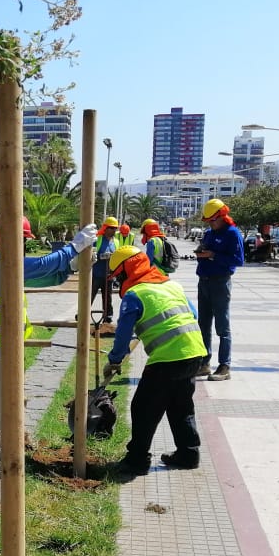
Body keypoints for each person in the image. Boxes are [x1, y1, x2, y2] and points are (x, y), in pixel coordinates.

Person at [0, 219, 98, 478]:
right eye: (22, 239)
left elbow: (44, 277)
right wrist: (75, 247)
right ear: (7, 237)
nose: (24, 245)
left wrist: (69, 269)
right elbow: (43, 264)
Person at [102, 244, 207, 477]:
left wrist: (114, 360)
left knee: (143, 408)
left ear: (128, 270)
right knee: (180, 405)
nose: (119, 281)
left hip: (168, 359)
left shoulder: (135, 295)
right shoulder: (171, 284)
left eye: (119, 275)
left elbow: (122, 335)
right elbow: (193, 315)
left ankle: (137, 461)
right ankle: (189, 454)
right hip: (194, 353)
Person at [194, 198, 244, 381]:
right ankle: (204, 363)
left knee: (222, 326)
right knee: (203, 325)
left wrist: (214, 255)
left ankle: (224, 366)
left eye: (213, 220)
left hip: (220, 282)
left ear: (222, 217)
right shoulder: (208, 233)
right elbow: (204, 254)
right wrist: (201, 254)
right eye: (208, 221)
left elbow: (238, 260)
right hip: (204, 281)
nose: (211, 224)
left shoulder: (232, 233)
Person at [90, 216, 119, 321]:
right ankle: (82, 314)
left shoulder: (116, 241)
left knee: (108, 297)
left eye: (115, 228)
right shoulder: (98, 240)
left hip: (109, 275)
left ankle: (108, 316)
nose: (114, 230)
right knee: (90, 295)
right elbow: (91, 255)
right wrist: (103, 256)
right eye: (111, 228)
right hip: (96, 274)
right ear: (106, 228)